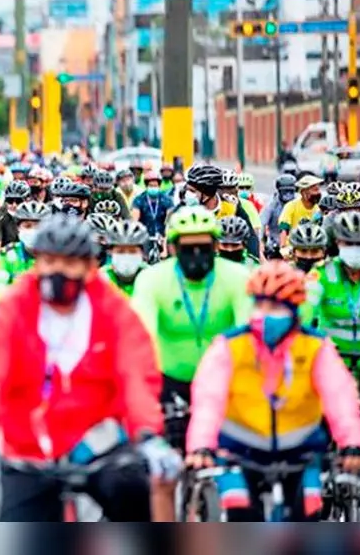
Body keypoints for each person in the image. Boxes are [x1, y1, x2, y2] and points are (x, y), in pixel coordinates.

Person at [0, 214, 180, 522]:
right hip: (29, 448)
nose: (58, 271)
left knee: (135, 498)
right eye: (49, 261)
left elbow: (135, 375)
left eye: (70, 262)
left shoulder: (112, 310)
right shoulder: (13, 310)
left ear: (89, 266)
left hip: (98, 444)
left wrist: (147, 434)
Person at [186, 261, 360, 521]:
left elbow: (340, 395)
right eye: (260, 305)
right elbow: (208, 400)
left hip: (301, 452)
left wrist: (352, 442)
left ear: (294, 310)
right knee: (239, 514)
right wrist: (201, 445)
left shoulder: (315, 347)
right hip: (238, 451)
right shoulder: (229, 346)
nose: (266, 314)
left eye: (276, 307)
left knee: (310, 512)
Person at [130, 206, 254, 521]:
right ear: (172, 248)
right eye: (187, 247)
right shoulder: (152, 279)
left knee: (240, 468)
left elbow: (249, 334)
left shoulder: (238, 277)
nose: (196, 254)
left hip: (225, 381)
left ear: (216, 246)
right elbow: (142, 336)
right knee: (163, 474)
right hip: (169, 380)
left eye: (204, 246)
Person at [304, 211, 360, 390]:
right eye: (349, 243)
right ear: (338, 243)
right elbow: (305, 309)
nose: (355, 249)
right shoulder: (322, 273)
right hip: (332, 363)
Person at [0, 201, 51, 300]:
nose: (33, 231)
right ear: (18, 228)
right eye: (27, 226)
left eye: (39, 227)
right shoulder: (6, 256)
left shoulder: (57, 257)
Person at [100, 220, 149, 296]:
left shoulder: (152, 277)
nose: (126, 255)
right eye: (120, 251)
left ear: (142, 253)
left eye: (132, 251)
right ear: (110, 252)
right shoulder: (101, 278)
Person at [279, 175, 324, 248]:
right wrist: (283, 247)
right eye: (314, 190)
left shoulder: (318, 209)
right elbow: (283, 228)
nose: (317, 193)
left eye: (318, 190)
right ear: (304, 193)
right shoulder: (291, 206)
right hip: (293, 247)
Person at [0, 180, 31, 256]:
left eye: (18, 201)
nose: (14, 205)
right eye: (10, 200)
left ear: (28, 200)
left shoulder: (37, 214)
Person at [261, 174, 298, 253]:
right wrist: (260, 243)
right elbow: (261, 224)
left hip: (297, 244)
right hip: (275, 244)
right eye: (285, 191)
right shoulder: (271, 204)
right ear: (279, 191)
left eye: (291, 191)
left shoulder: (299, 202)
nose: (288, 195)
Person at [132, 171, 175, 237]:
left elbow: (170, 220)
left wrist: (166, 235)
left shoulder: (167, 200)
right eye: (151, 186)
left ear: (159, 186)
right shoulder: (139, 200)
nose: (153, 188)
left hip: (163, 235)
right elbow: (135, 220)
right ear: (146, 186)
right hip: (144, 236)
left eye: (155, 186)